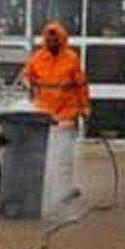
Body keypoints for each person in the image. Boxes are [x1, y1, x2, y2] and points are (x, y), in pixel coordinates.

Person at [22, 21, 90, 203]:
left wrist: (85, 107)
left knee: (63, 155)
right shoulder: (37, 57)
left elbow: (81, 86)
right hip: (43, 114)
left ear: (62, 40)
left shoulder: (71, 59)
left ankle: (64, 189)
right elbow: (26, 75)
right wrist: (27, 83)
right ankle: (45, 187)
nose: (52, 42)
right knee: (42, 154)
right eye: (49, 39)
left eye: (55, 39)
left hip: (66, 113)